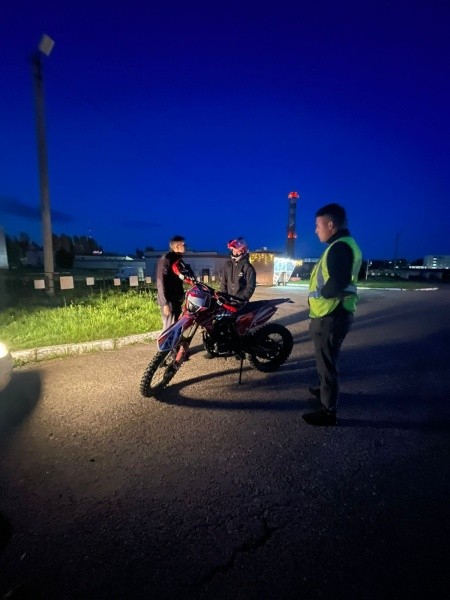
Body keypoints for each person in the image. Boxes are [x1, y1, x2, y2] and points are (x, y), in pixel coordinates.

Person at [303, 204, 362, 426]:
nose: (316, 230)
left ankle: (328, 412)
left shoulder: (339, 248)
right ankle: (324, 390)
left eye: (318, 226)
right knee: (327, 359)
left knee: (326, 364)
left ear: (330, 224)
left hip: (330, 315)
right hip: (336, 313)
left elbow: (337, 282)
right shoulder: (346, 245)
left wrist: (326, 293)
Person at [156, 235, 186, 331]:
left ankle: (176, 341)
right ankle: (168, 342)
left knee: (176, 327)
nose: (185, 246)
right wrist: (165, 303)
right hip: (169, 301)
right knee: (169, 329)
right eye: (183, 245)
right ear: (177, 246)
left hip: (176, 300)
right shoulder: (166, 260)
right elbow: (160, 282)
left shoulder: (177, 260)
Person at [220, 237, 256, 301]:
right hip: (227, 302)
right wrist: (223, 297)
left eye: (238, 251)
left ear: (243, 251)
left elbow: (250, 287)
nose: (235, 253)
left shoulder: (248, 268)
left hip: (240, 302)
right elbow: (223, 283)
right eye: (234, 251)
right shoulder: (227, 265)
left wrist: (240, 299)